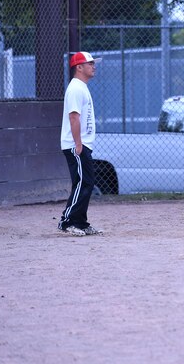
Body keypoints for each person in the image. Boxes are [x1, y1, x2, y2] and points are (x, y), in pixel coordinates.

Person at [59, 51, 104, 236]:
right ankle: (67, 221)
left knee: (86, 182)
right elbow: (73, 117)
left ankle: (81, 222)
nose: (94, 66)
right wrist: (78, 144)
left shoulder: (81, 87)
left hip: (82, 144)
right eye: (90, 63)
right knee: (82, 183)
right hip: (76, 144)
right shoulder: (76, 88)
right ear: (79, 67)